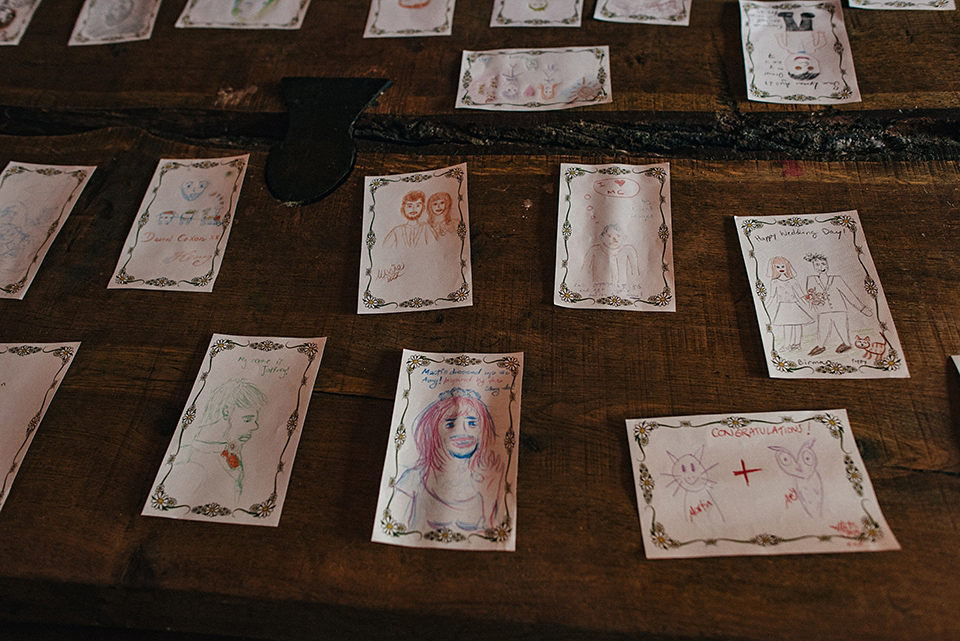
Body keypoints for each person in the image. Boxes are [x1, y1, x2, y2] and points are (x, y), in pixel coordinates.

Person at [393, 388, 504, 532]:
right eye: (451, 424)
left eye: (472, 424)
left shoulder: (489, 480)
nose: (463, 432)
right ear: (434, 432)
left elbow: (492, 533)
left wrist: (491, 495)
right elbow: (395, 527)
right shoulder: (413, 479)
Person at [168, 378, 266, 501]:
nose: (255, 426)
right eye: (247, 419)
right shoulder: (189, 462)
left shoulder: (232, 450)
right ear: (226, 412)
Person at [803, 253, 872, 356]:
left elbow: (849, 295)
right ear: (813, 266)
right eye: (817, 265)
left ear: (827, 265)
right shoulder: (811, 279)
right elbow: (810, 294)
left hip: (839, 309)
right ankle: (820, 346)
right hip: (823, 311)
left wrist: (862, 309)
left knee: (842, 328)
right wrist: (815, 300)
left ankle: (847, 343)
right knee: (822, 329)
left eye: (823, 264)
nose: (821, 267)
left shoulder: (836, 279)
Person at [767, 256, 813, 352]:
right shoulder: (774, 282)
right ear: (774, 268)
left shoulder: (792, 281)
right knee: (787, 325)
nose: (781, 269)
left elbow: (800, 293)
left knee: (797, 324)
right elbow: (771, 296)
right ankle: (787, 344)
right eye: (778, 267)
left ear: (787, 267)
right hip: (783, 306)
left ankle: (797, 344)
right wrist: (765, 306)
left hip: (794, 305)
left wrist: (808, 300)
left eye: (783, 266)